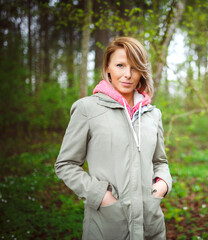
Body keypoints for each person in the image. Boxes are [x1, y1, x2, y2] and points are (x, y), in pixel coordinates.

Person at [55, 36, 172, 240]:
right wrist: (102, 197)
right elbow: (66, 164)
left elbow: (160, 161)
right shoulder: (86, 109)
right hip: (106, 227)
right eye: (120, 65)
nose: (127, 74)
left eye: (135, 67)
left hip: (150, 227)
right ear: (107, 67)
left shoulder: (153, 114)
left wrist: (160, 188)